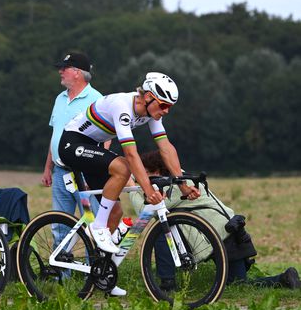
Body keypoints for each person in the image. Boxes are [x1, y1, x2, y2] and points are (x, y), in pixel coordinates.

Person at [58, 72, 199, 273]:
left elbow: (166, 147)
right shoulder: (123, 106)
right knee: (123, 167)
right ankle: (97, 227)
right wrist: (148, 190)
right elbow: (131, 155)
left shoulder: (151, 114)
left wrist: (184, 185)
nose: (166, 111)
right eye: (163, 105)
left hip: (93, 147)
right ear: (148, 97)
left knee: (115, 212)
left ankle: (103, 271)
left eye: (170, 107)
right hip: (72, 143)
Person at [128, 150, 300, 290]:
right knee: (238, 284)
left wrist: (131, 187)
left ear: (157, 172)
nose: (141, 180)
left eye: (144, 175)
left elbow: (145, 212)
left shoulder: (176, 187)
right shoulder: (182, 179)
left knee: (160, 231)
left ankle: (167, 285)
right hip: (231, 232)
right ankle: (283, 279)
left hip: (220, 237)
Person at [41, 52, 105, 248]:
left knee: (92, 224)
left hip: (85, 174)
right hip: (60, 173)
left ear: (77, 72)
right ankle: (61, 275)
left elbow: (106, 139)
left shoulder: (97, 99)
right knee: (59, 226)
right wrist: (48, 168)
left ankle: (93, 271)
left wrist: (96, 169)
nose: (60, 71)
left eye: (65, 68)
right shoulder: (59, 98)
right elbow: (56, 135)